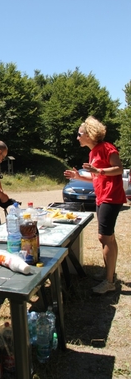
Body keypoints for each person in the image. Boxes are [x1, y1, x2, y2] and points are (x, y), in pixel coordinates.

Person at [64, 115, 126, 294]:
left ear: (89, 135)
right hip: (102, 197)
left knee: (104, 237)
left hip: (111, 197)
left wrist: (98, 170)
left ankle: (108, 282)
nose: (77, 137)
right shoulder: (93, 152)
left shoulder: (107, 147)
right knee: (108, 237)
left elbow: (119, 169)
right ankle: (109, 275)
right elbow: (96, 177)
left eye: (79, 133)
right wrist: (79, 177)